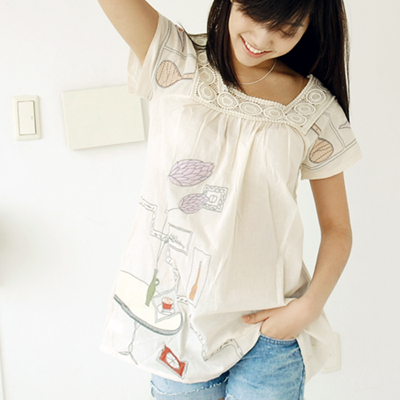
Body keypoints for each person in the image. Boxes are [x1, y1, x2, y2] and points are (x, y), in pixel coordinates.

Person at [98, 0, 362, 398]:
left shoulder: (314, 109)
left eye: (285, 30)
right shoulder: (175, 58)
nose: (262, 39)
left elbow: (337, 228)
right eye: (255, 16)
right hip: (176, 331)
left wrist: (307, 308)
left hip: (268, 332)